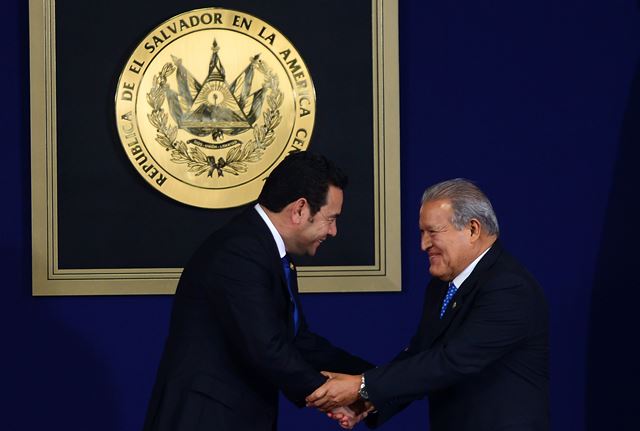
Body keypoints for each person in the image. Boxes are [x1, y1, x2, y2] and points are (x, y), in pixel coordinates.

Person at [143, 151, 372, 431]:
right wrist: (334, 396)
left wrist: (372, 381)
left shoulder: (265, 250)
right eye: (331, 218)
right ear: (299, 210)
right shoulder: (239, 252)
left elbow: (298, 342)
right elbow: (267, 348)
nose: (334, 231)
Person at [307, 179, 549, 431]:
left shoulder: (509, 288)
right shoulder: (442, 286)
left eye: (432, 232)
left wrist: (362, 386)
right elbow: (421, 357)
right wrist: (368, 401)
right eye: (422, 233)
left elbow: (450, 361)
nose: (423, 245)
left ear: (472, 229)